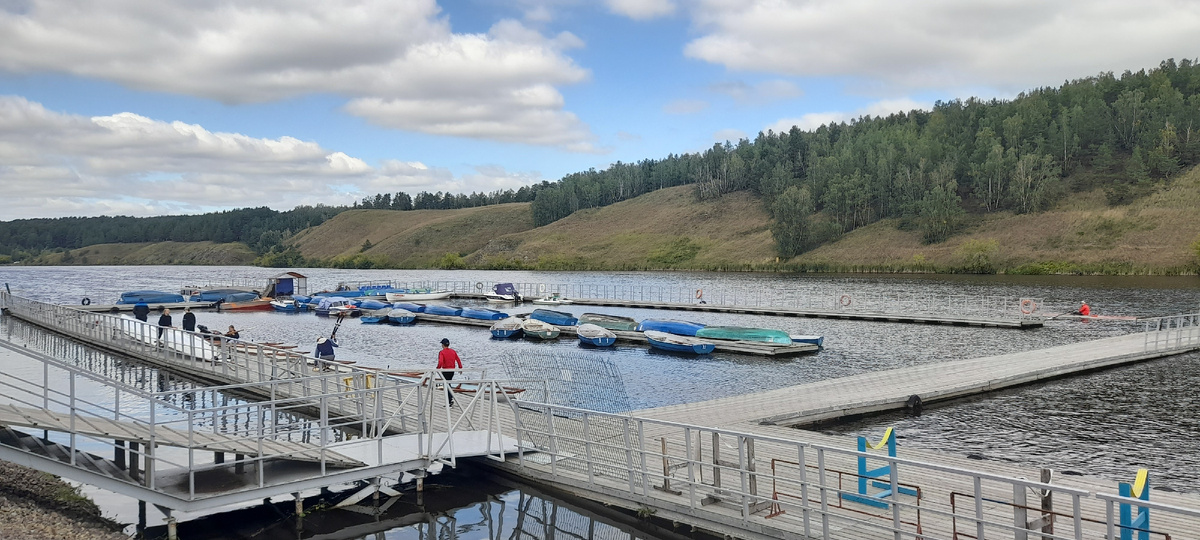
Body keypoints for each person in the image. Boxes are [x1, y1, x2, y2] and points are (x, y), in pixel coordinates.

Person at [437, 338, 462, 405]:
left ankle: (450, 400)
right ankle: (450, 399)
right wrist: (460, 368)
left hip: (445, 370)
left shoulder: (442, 352)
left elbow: (441, 361)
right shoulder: (453, 351)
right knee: (448, 384)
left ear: (443, 345)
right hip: (452, 370)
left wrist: (438, 368)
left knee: (446, 385)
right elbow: (458, 360)